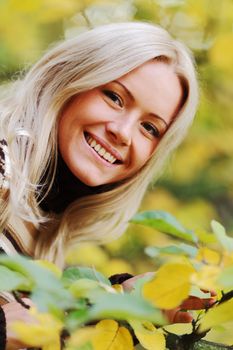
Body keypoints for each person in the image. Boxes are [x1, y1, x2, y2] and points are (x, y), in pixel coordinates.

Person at [0, 21, 205, 349]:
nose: (123, 132)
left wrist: (119, 303)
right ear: (69, 78)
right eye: (114, 97)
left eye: (150, 127)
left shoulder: (49, 230)